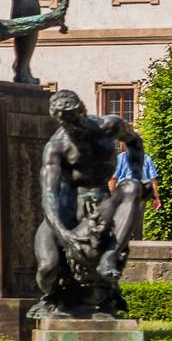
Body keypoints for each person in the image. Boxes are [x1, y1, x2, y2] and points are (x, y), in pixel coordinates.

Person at [31, 90, 145, 318]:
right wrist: (64, 233)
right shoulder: (56, 147)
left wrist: (135, 173)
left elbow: (134, 141)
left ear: (82, 110)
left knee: (132, 187)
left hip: (101, 202)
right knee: (47, 268)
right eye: (65, 123)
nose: (71, 128)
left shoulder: (110, 126)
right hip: (65, 211)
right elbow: (48, 196)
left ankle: (109, 257)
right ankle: (52, 298)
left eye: (74, 120)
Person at [110, 146, 161, 213]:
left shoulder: (120, 158)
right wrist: (156, 198)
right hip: (140, 195)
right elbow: (153, 181)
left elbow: (113, 179)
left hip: (124, 194)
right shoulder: (146, 158)